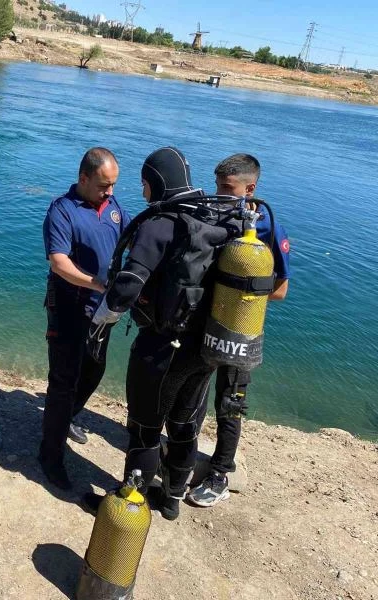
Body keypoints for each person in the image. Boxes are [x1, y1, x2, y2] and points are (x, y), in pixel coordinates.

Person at [86, 146, 247, 520]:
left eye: (144, 185)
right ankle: (172, 499)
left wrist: (102, 319)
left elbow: (127, 285)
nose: (142, 193)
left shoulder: (161, 223)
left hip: (162, 347)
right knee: (186, 423)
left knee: (144, 427)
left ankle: (130, 503)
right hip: (206, 346)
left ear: (155, 183)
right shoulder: (218, 216)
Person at [187, 153, 290, 507]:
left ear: (251, 189)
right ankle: (185, 448)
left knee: (230, 402)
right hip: (206, 325)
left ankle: (220, 470)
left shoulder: (269, 230)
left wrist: (238, 295)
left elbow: (280, 289)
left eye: (228, 188)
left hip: (241, 332)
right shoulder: (212, 217)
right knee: (195, 391)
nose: (221, 194)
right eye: (218, 186)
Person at [39, 147, 130, 490]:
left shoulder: (114, 208)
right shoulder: (62, 211)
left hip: (103, 311)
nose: (110, 191)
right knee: (63, 380)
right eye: (104, 185)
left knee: (94, 368)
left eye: (114, 184)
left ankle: (65, 418)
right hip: (69, 309)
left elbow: (131, 241)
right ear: (83, 178)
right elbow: (58, 262)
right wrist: (97, 283)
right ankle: (50, 455)